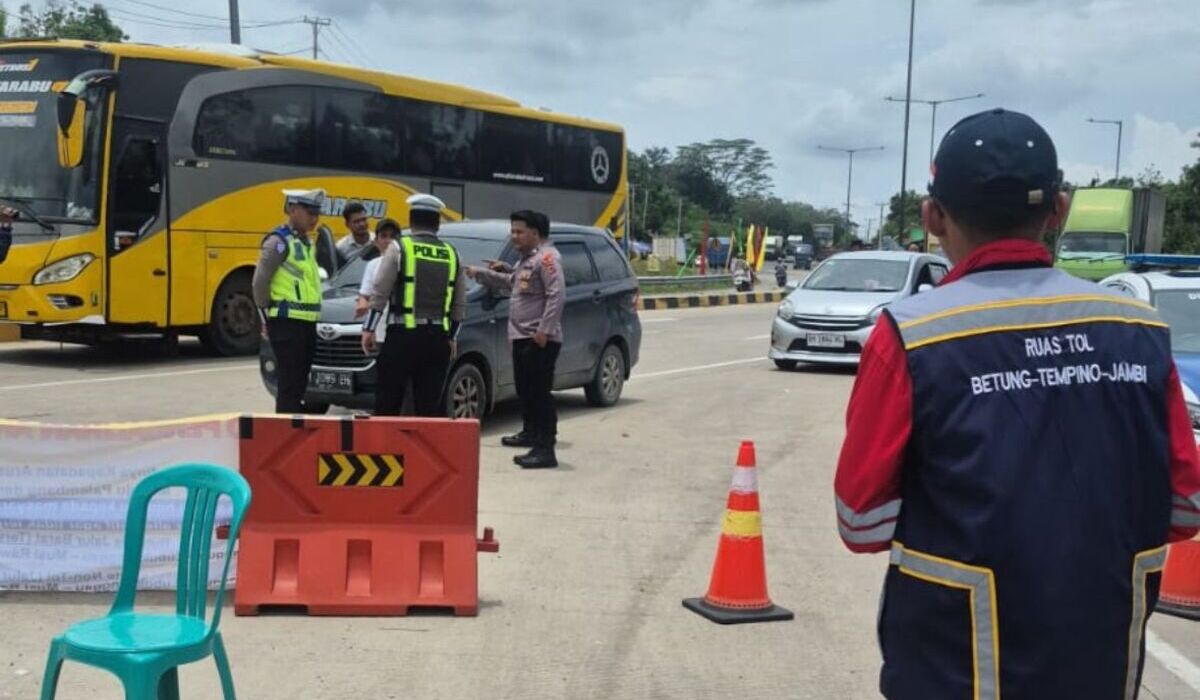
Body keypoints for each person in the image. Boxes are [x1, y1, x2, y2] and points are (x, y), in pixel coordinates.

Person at [833, 108, 1200, 699]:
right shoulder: (1140, 329)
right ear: (1058, 209)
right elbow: (1186, 507)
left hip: (955, 668)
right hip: (1096, 669)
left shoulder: (911, 335)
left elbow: (860, 520)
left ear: (932, 217)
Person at [465, 211, 565, 468]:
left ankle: (546, 449)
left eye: (519, 232)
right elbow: (513, 282)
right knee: (526, 391)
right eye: (513, 231)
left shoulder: (548, 258)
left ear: (535, 233)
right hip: (521, 337)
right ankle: (530, 434)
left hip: (537, 339)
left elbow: (557, 296)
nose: (514, 237)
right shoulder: (528, 260)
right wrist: (480, 274)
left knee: (540, 394)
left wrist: (543, 332)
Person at [362, 194, 466, 417]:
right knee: (428, 407)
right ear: (437, 224)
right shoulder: (452, 253)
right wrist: (452, 336)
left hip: (402, 337)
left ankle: (386, 449)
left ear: (411, 220)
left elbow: (380, 291)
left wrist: (369, 329)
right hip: (438, 338)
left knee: (388, 401)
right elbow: (459, 304)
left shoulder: (399, 248)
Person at [253, 188, 326, 414]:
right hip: (286, 323)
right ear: (293, 210)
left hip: (306, 323)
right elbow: (260, 281)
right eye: (309, 212)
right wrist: (265, 318)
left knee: (299, 383)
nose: (314, 218)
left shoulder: (305, 242)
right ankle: (287, 430)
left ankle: (294, 423)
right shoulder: (279, 241)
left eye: (317, 213)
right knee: (289, 384)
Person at [354, 218, 401, 320]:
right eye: (383, 236)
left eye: (393, 236)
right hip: (378, 323)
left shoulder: (406, 263)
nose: (388, 240)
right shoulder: (372, 265)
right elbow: (365, 294)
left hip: (400, 323)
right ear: (376, 241)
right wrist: (362, 302)